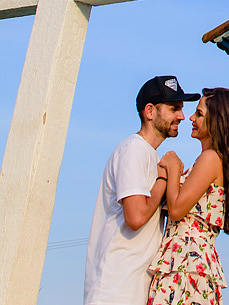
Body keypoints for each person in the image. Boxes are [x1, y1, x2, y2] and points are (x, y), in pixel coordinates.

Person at [84, 75, 201, 305]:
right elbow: (135, 217)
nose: (181, 116)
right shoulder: (133, 149)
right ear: (150, 111)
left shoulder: (150, 155)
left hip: (132, 290)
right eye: (173, 108)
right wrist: (163, 178)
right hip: (115, 290)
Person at [147, 87, 229, 305]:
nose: (191, 118)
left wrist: (173, 168)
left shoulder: (210, 159)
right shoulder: (209, 160)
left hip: (187, 263)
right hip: (188, 262)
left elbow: (176, 210)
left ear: (217, 121)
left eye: (199, 114)